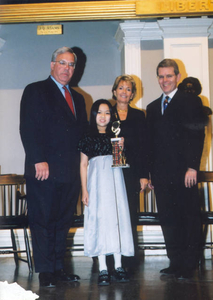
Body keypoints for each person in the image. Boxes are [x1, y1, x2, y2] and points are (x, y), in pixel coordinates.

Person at [20, 47, 88, 287]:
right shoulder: (36, 90)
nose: (67, 68)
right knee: (43, 220)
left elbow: (82, 136)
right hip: (43, 169)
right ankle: (46, 271)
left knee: (62, 221)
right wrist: (38, 158)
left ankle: (59, 268)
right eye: (62, 63)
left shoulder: (78, 98)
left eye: (71, 65)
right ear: (52, 65)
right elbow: (28, 127)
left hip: (70, 171)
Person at [146, 59, 205, 279]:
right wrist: (150, 173)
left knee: (187, 217)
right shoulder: (152, 107)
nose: (165, 81)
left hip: (184, 173)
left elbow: (197, 136)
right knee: (168, 219)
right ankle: (175, 262)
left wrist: (193, 167)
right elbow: (150, 143)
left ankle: (189, 265)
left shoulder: (191, 101)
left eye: (169, 76)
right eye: (161, 76)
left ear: (178, 77)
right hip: (161, 175)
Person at [79, 99, 134, 286]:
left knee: (116, 220)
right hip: (96, 186)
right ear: (94, 115)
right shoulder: (87, 137)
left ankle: (118, 265)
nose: (103, 117)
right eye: (100, 112)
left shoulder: (116, 136)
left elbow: (119, 162)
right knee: (100, 221)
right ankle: (103, 267)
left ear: (112, 116)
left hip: (115, 184)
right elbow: (83, 164)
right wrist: (84, 190)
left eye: (107, 113)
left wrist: (121, 146)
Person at [111, 75, 149, 269]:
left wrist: (144, 175)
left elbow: (144, 147)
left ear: (132, 94)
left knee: (129, 214)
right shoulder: (105, 113)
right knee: (111, 214)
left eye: (128, 89)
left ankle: (129, 258)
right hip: (109, 173)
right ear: (114, 91)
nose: (124, 92)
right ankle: (110, 258)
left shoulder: (139, 116)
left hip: (132, 172)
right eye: (121, 88)